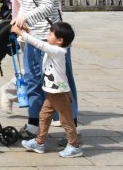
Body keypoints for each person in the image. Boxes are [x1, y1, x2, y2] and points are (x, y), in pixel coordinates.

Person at [8, 0, 79, 142]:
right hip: (31, 36)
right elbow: (20, 6)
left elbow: (49, 5)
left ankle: (71, 128)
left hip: (51, 37)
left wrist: (24, 19)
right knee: (32, 80)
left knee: (62, 83)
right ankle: (33, 125)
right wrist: (20, 31)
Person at [14, 20, 82, 157]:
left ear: (60, 40)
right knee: (44, 116)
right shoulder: (54, 48)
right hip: (51, 92)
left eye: (51, 33)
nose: (48, 35)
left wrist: (20, 33)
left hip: (59, 93)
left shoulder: (58, 51)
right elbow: (41, 43)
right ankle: (39, 142)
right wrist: (29, 32)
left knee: (65, 120)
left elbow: (40, 44)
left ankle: (74, 146)